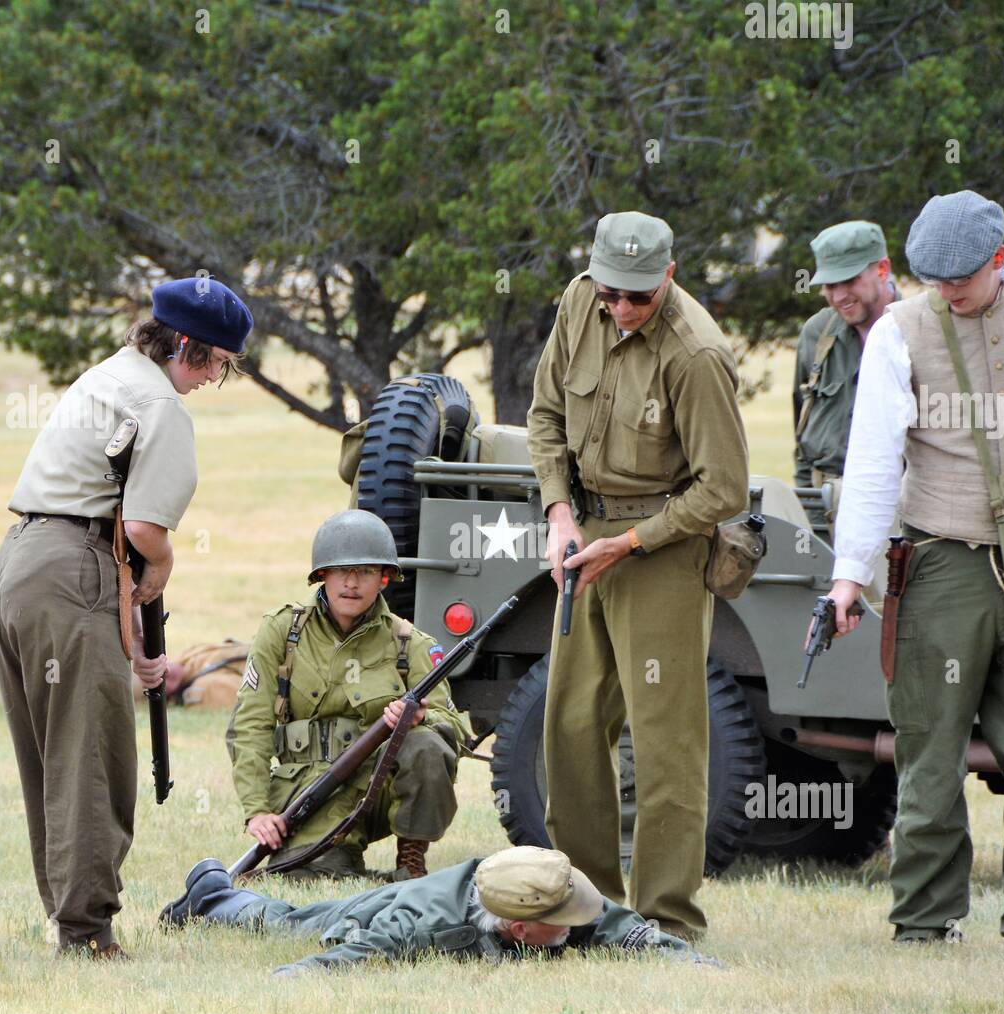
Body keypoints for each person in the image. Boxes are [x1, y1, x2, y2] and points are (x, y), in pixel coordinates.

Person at [825, 190, 1004, 953]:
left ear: (1001, 259)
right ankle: (924, 921)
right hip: (939, 561)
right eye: (932, 277)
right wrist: (849, 575)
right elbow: (873, 461)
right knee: (929, 753)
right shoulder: (898, 330)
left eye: (962, 276)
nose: (946, 290)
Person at [0, 275, 254, 959]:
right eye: (218, 363)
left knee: (49, 754)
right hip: (70, 568)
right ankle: (86, 934)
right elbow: (138, 529)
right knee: (92, 754)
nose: (212, 378)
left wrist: (133, 639)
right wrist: (163, 565)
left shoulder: (108, 376)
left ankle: (69, 915)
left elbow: (106, 530)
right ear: (189, 347)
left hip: (22, 561)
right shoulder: (161, 404)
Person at [526, 210, 749, 941]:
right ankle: (583, 908)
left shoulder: (697, 354)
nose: (621, 308)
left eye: (638, 297)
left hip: (663, 548)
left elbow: (723, 491)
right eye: (610, 293)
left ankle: (665, 923)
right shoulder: (576, 303)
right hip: (583, 536)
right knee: (570, 726)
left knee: (665, 745)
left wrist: (626, 543)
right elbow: (546, 415)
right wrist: (560, 513)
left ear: (669, 278)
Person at [226, 510, 472, 881]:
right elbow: (250, 725)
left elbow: (457, 728)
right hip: (309, 788)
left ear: (385, 579)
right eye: (342, 571)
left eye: (367, 572)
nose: (352, 583)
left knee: (428, 745)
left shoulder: (411, 644)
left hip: (379, 788)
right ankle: (361, 872)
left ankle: (411, 861)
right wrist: (258, 810)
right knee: (316, 875)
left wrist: (423, 719)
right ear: (322, 575)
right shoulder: (282, 632)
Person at [159, 845, 722, 974]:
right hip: (385, 908)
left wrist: (692, 964)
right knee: (293, 923)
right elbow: (355, 957)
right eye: (567, 916)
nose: (584, 919)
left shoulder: (546, 896)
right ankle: (215, 892)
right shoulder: (427, 928)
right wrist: (289, 977)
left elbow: (630, 934)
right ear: (522, 929)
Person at [792, 220, 897, 533]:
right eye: (829, 285)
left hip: (897, 511)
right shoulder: (816, 334)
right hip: (822, 511)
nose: (838, 296)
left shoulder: (919, 330)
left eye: (848, 281)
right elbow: (802, 434)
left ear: (882, 269)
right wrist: (805, 513)